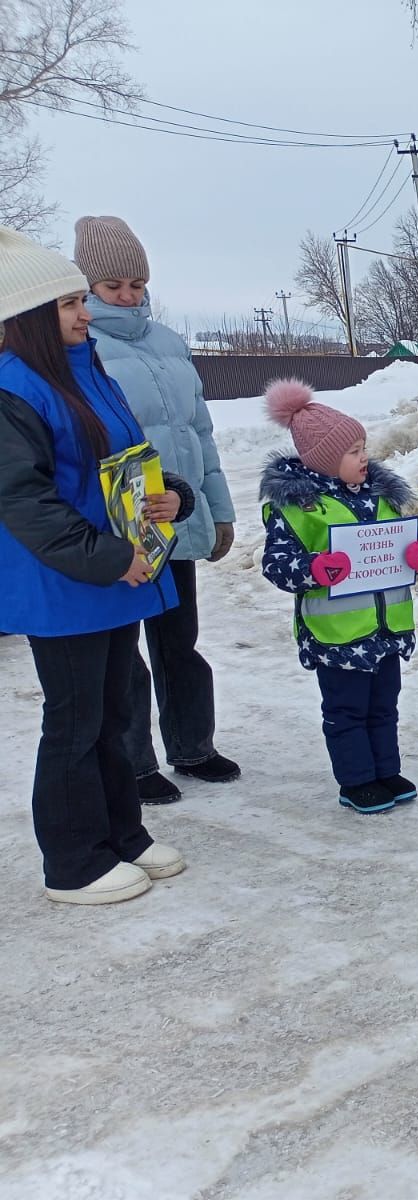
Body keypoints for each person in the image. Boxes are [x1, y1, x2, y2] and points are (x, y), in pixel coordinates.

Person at [0, 226, 189, 904]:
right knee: (75, 722)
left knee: (113, 713)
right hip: (67, 582)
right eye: (68, 304)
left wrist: (173, 495)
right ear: (26, 318)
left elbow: (118, 465)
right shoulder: (12, 388)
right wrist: (108, 559)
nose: (84, 313)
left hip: (114, 573)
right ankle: (73, 862)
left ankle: (122, 835)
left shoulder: (87, 366)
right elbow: (25, 500)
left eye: (81, 299)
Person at [75, 215, 240, 804]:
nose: (126, 296)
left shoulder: (169, 343)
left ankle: (194, 746)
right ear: (88, 286)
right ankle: (135, 762)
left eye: (136, 285)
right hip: (124, 528)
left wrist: (216, 511)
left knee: (180, 642)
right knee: (126, 655)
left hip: (180, 516)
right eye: (113, 285)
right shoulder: (82, 346)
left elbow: (201, 433)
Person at [259, 378, 418, 815]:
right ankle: (356, 780)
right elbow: (277, 565)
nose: (364, 457)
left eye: (363, 447)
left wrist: (416, 555)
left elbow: (400, 547)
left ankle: (385, 770)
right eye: (353, 451)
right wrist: (315, 568)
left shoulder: (382, 497)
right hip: (338, 634)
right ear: (323, 460)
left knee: (384, 705)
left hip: (386, 628)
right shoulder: (298, 507)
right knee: (346, 710)